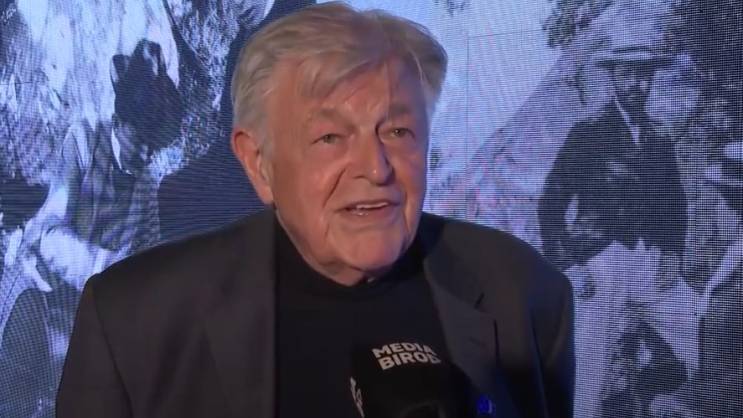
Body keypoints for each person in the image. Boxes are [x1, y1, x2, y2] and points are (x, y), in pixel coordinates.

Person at [57, 3, 574, 418]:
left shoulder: (524, 292)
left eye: (398, 131)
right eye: (330, 137)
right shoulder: (130, 321)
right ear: (258, 163)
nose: (375, 167)